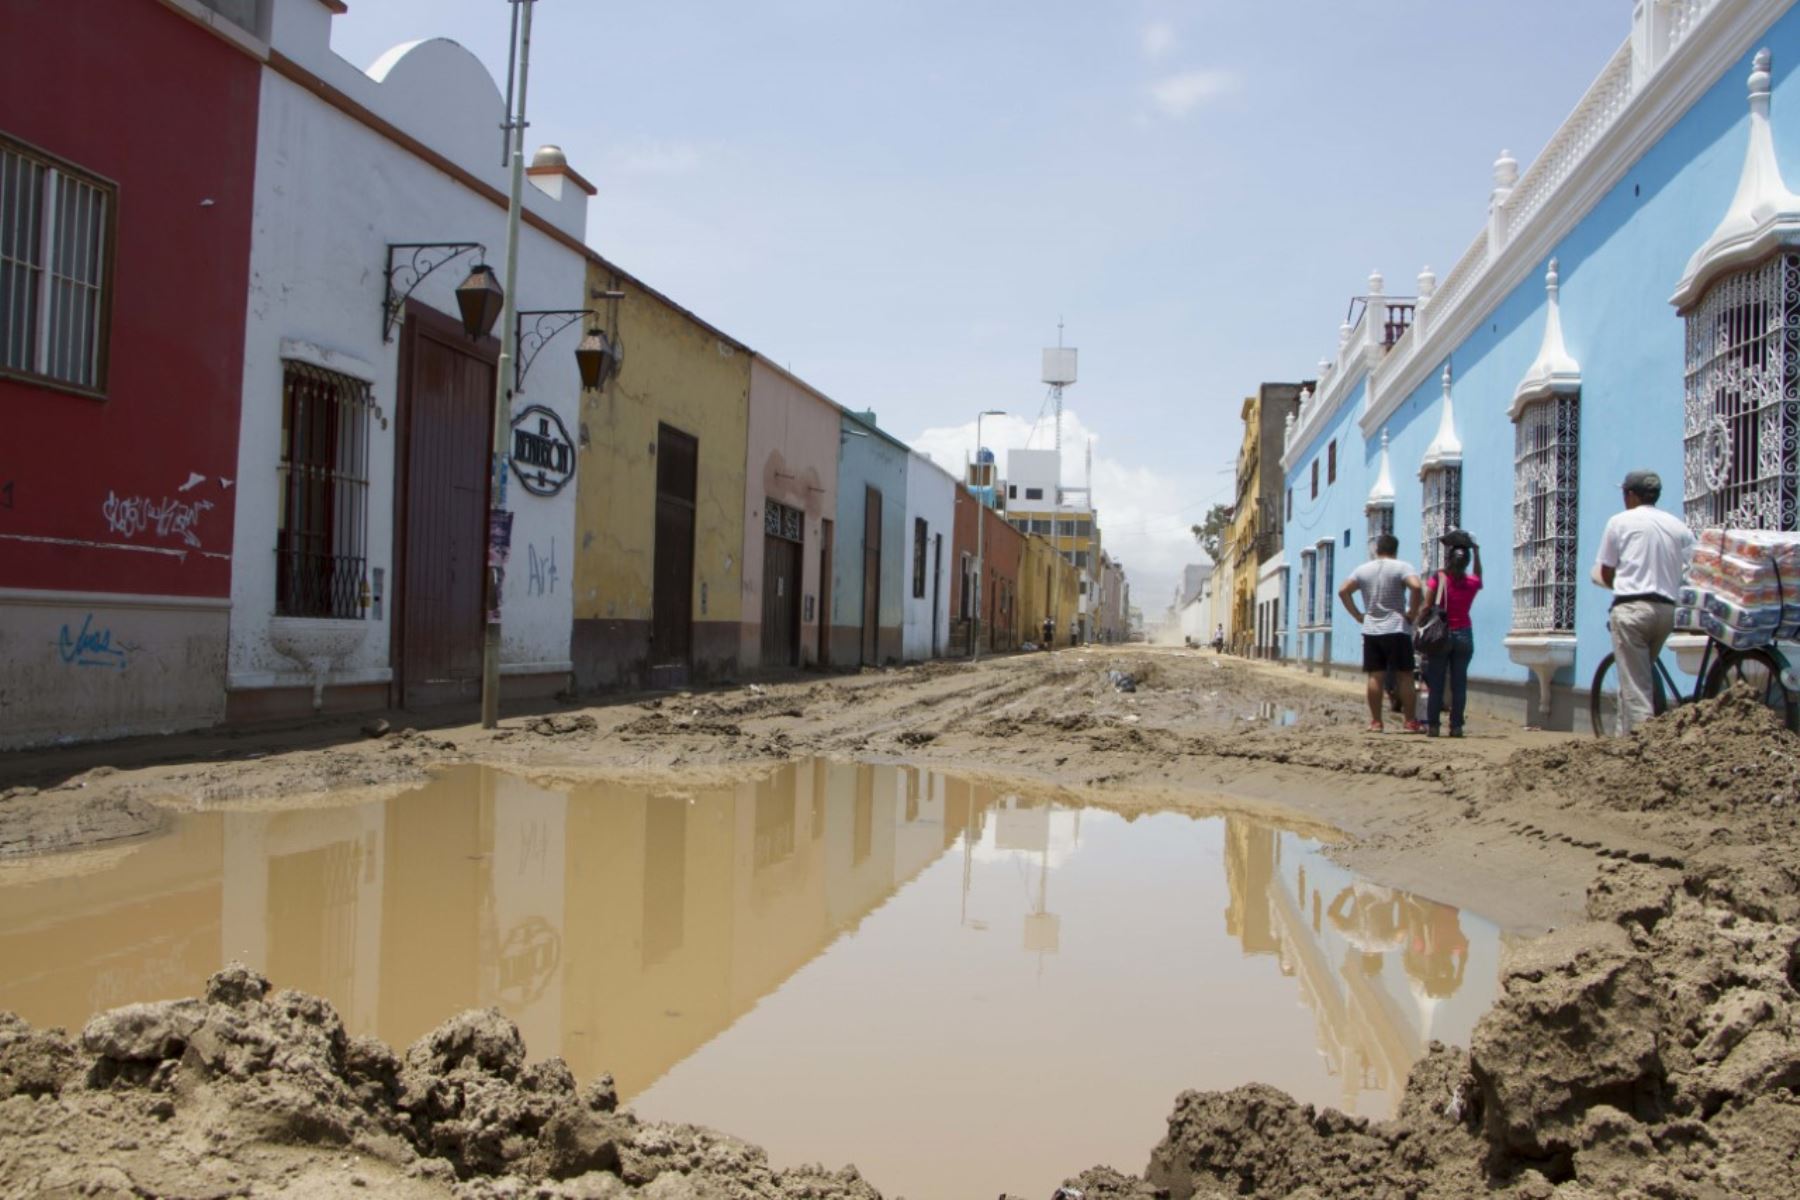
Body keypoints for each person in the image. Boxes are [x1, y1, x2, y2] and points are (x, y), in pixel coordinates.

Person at [1595, 469, 1695, 735]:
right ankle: (1622, 740)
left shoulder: (1619, 522)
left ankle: (1643, 749)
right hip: (1666, 612)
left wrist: (1615, 581)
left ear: (1630, 495)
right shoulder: (1678, 526)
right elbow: (1692, 568)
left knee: (1637, 689)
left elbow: (1606, 572)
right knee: (1634, 678)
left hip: (1632, 611)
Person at [1338, 533, 1426, 733]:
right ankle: (1410, 721)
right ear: (1395, 550)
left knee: (1375, 676)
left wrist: (1358, 615)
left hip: (1372, 629)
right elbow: (1416, 586)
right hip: (1397, 627)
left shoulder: (1362, 570)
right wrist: (1412, 612)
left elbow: (1343, 591)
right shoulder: (1402, 567)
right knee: (1404, 676)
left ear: (1376, 549)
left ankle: (1376, 721)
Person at [1420, 530, 1483, 738]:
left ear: (1448, 558)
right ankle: (1456, 727)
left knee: (1436, 682)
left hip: (1441, 636)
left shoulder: (1438, 579)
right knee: (1459, 684)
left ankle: (1434, 726)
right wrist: (1476, 551)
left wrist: (1418, 622)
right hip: (1464, 635)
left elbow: (1427, 606)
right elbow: (1478, 575)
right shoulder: (1472, 584)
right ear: (1467, 562)